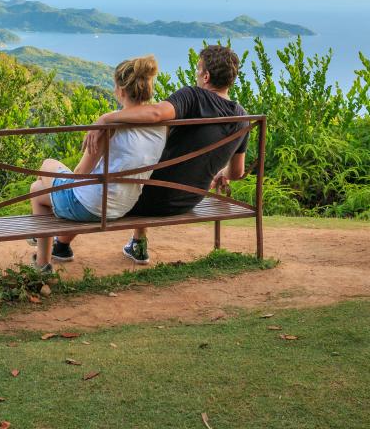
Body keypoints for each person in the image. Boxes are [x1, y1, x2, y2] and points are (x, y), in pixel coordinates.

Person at [84, 44, 249, 264]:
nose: (196, 74)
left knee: (140, 166)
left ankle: (63, 244)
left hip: (146, 198)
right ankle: (138, 243)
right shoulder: (242, 118)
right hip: (187, 200)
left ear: (206, 76)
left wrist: (106, 118)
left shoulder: (194, 96)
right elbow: (237, 172)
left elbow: (156, 113)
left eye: (198, 69)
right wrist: (222, 173)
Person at [28, 55, 166, 272]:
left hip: (92, 206)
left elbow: (81, 173)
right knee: (43, 188)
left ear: (121, 91)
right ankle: (58, 248)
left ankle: (42, 256)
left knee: (43, 173)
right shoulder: (162, 126)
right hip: (125, 204)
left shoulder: (110, 127)